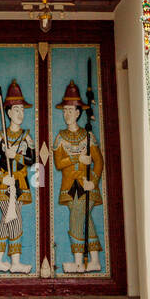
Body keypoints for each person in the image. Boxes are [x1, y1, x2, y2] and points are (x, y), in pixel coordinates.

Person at [52, 79, 104, 273]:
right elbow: (58, 163)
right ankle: (90, 260)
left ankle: (81, 261)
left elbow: (99, 161)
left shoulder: (87, 136)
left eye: (71, 110)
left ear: (78, 112)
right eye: (64, 110)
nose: (67, 114)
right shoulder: (60, 137)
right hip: (69, 185)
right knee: (81, 219)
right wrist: (77, 160)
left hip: (86, 184)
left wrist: (94, 181)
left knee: (78, 218)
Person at [0, 79, 36, 272]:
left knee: (7, 222)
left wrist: (18, 156)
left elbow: (32, 159)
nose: (20, 114)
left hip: (20, 183)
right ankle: (14, 263)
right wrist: (2, 175)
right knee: (14, 221)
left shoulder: (26, 136)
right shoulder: (1, 136)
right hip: (4, 184)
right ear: (8, 113)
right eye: (16, 110)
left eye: (22, 110)